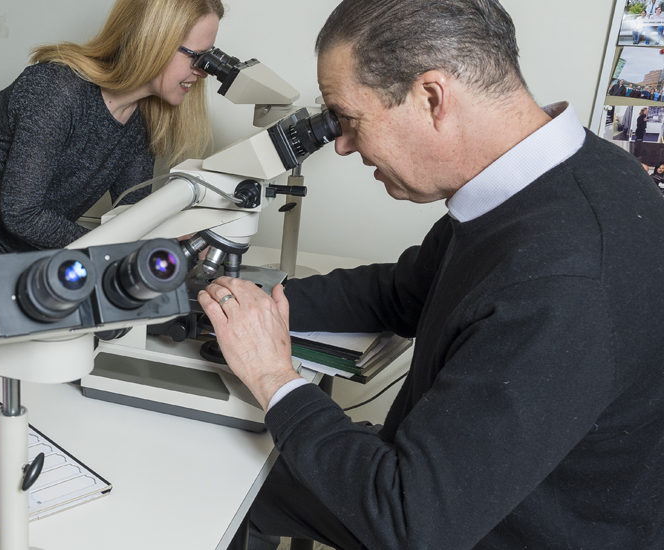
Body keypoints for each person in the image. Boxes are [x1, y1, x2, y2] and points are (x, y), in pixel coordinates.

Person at [201, 0, 664, 548]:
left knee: (221, 472)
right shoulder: (549, 181)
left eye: (349, 119)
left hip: (485, 525)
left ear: (431, 96)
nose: (343, 145)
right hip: (461, 485)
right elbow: (401, 293)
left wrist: (273, 378)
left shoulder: (564, 278)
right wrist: (236, 303)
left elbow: (408, 522)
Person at [0, 0, 223, 262]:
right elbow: (22, 213)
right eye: (196, 57)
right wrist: (118, 253)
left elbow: (133, 213)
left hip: (18, 229)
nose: (202, 72)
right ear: (151, 43)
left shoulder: (143, 119)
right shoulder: (58, 90)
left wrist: (175, 240)